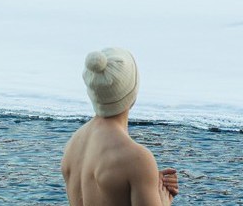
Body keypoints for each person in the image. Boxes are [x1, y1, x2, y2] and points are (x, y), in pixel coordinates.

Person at [62, 47, 179, 206]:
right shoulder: (136, 159)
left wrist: (145, 180)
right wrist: (163, 201)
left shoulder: (74, 143)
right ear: (132, 91)